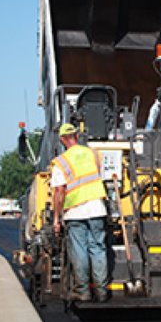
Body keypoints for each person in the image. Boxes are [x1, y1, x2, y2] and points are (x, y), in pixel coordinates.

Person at [51, 123, 109, 303]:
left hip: (75, 212)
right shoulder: (93, 154)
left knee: (79, 250)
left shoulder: (61, 162)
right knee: (98, 248)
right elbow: (98, 176)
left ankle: (82, 291)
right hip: (97, 208)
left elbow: (59, 193)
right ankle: (101, 291)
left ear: (62, 139)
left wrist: (56, 218)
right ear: (76, 136)